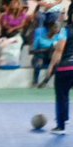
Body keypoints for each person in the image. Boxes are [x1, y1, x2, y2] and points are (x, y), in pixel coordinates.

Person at [40, 4, 73, 134]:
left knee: (62, 96)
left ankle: (61, 125)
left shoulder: (66, 30)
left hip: (66, 68)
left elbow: (59, 51)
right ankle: (64, 117)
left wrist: (50, 69)